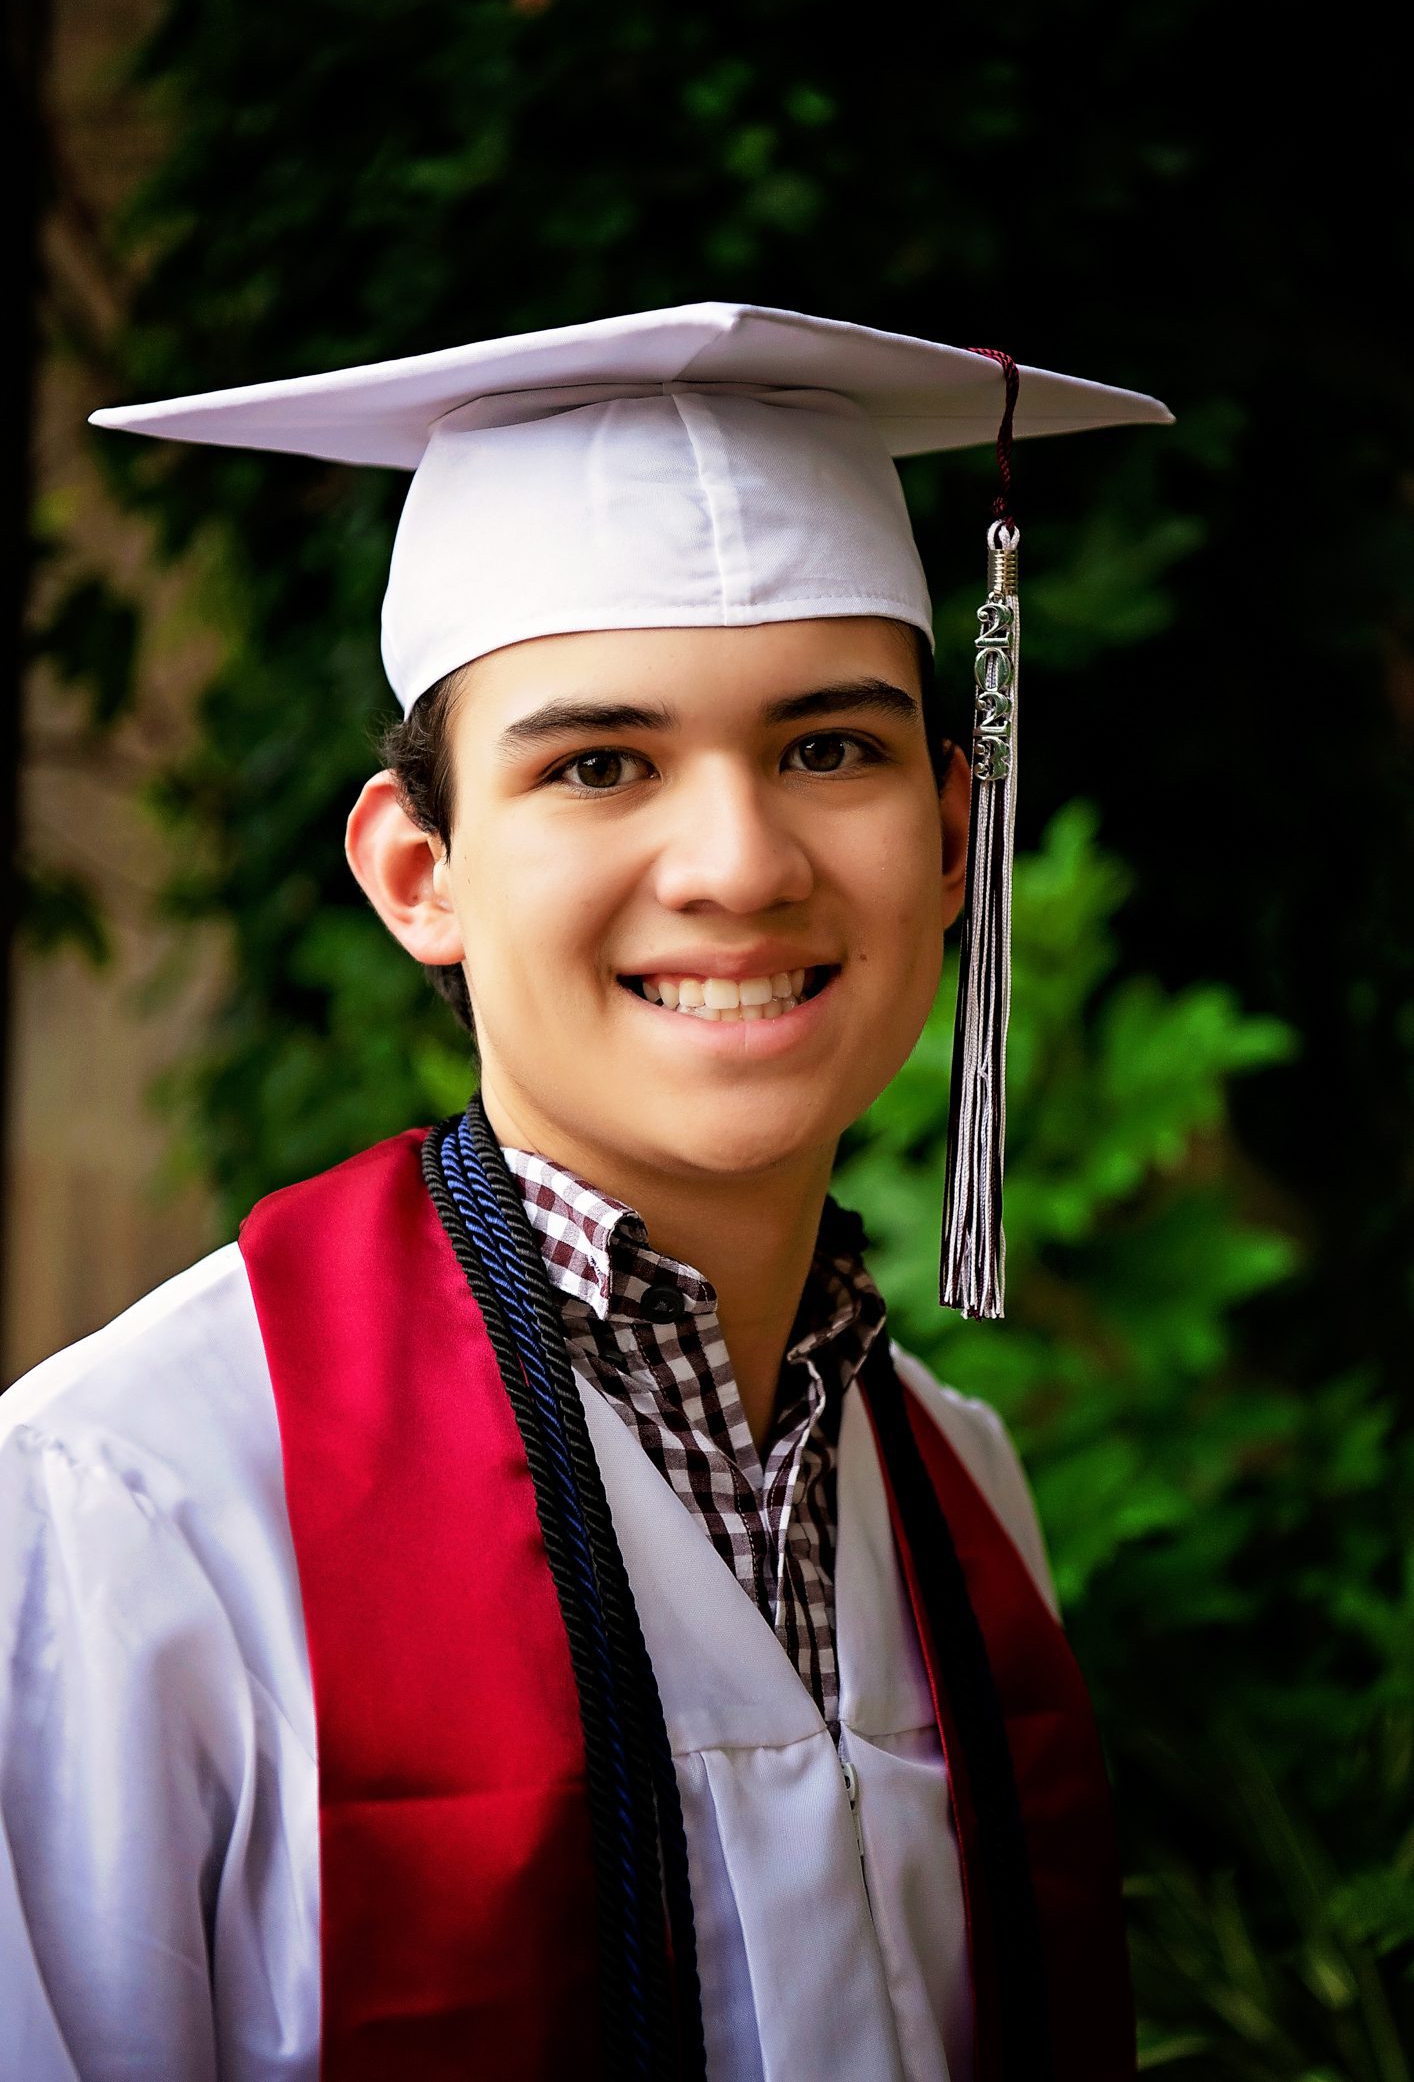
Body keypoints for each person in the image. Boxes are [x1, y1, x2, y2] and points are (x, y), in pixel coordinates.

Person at [0, 303, 1170, 2081]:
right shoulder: (118, 1513)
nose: (736, 862)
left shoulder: (961, 1485)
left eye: (828, 748)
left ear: (951, 836)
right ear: (421, 872)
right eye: (597, 764)